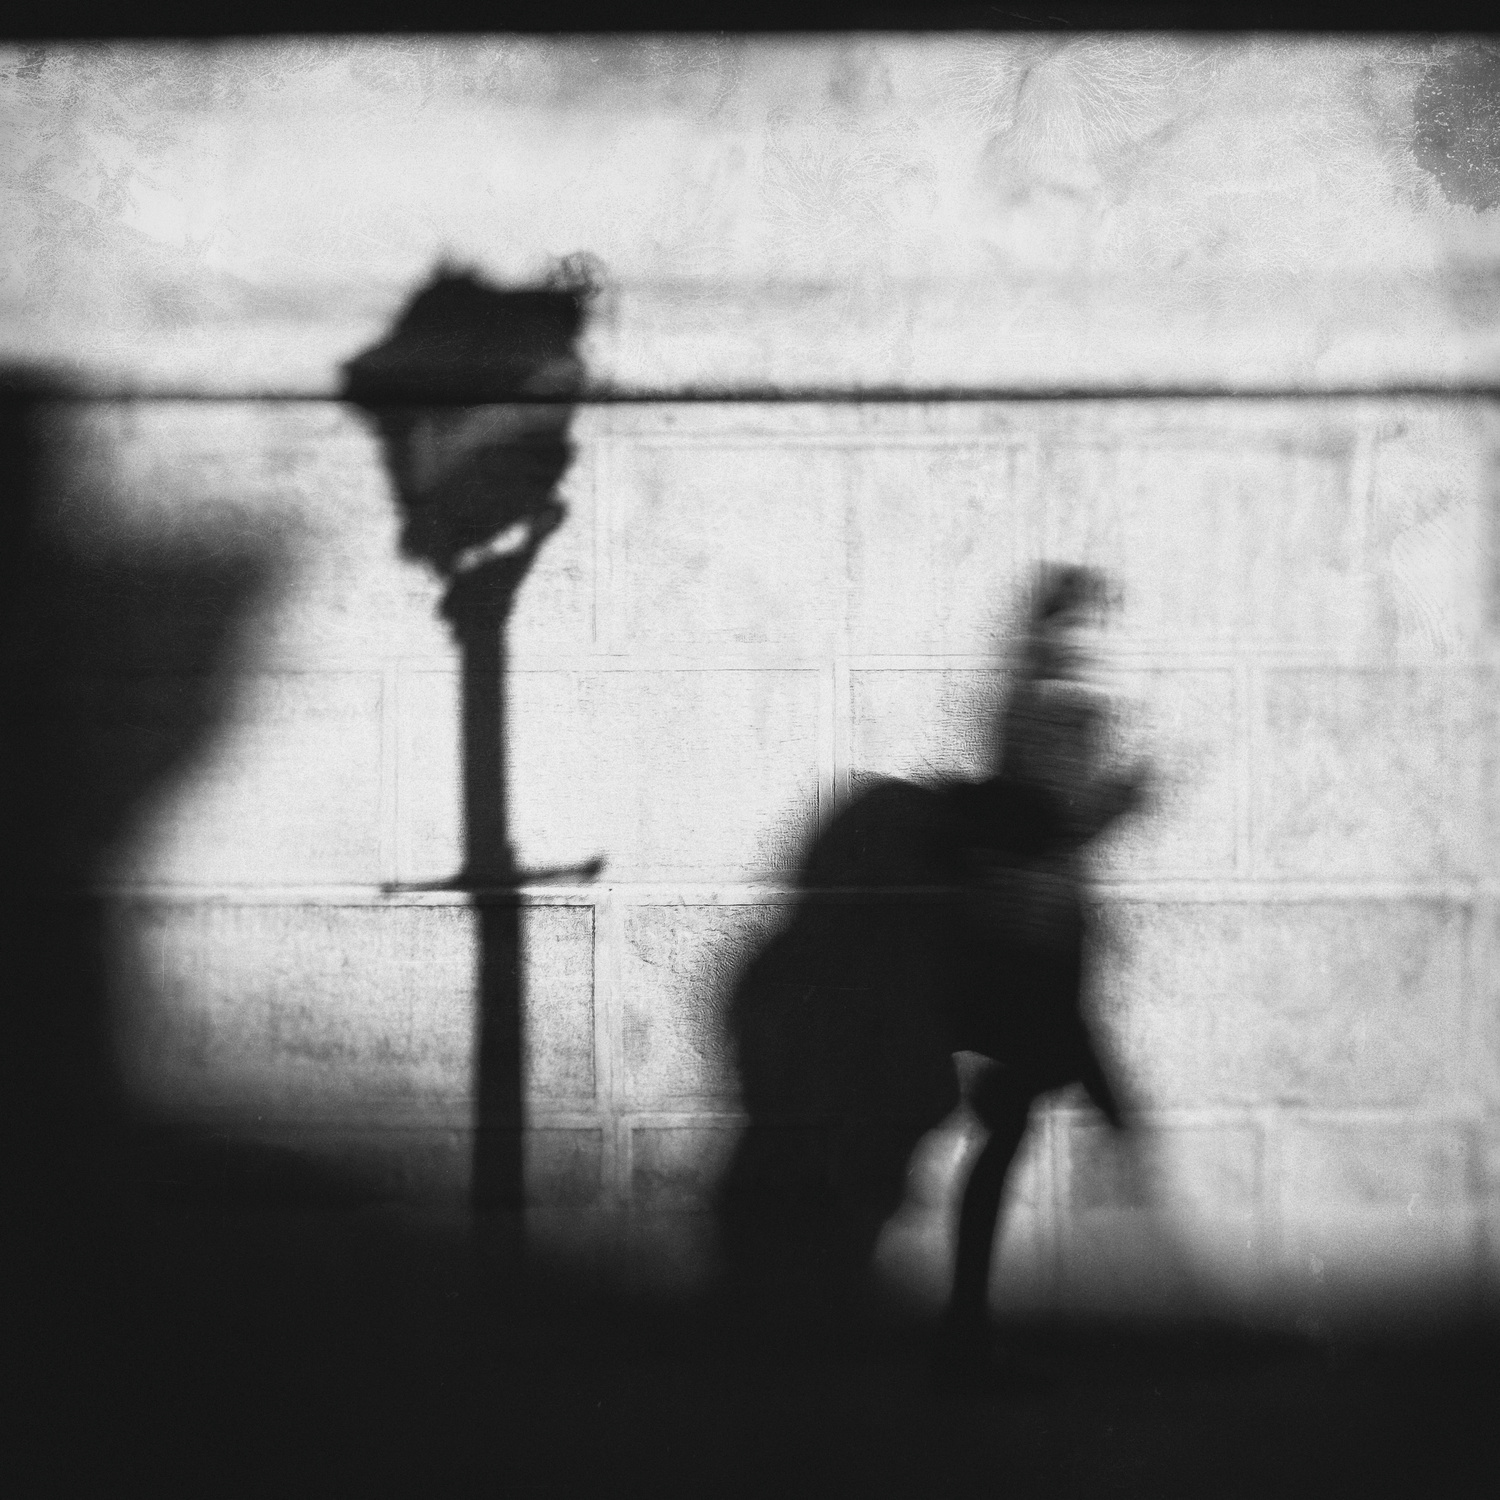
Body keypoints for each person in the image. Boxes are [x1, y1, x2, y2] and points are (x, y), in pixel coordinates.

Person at [935, 563, 1152, 1390]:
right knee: (1018, 1129)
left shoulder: (1046, 707)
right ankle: (968, 1337)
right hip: (1025, 956)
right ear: (1055, 628)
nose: (1094, 638)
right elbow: (1040, 829)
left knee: (1012, 1132)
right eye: (1084, 621)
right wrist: (1115, 806)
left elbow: (1038, 831)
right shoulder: (1044, 711)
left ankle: (968, 1332)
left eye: (1101, 622)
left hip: (1041, 952)